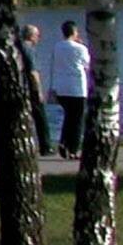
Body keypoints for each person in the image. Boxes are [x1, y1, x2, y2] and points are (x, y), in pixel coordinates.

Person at [49, 19, 93, 157]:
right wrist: (82, 45)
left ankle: (64, 142)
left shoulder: (57, 46)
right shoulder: (80, 48)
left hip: (61, 87)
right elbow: (88, 65)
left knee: (68, 117)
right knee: (78, 119)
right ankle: (73, 148)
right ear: (74, 32)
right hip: (77, 88)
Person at [18, 22, 52, 154]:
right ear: (31, 36)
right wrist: (38, 90)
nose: (38, 38)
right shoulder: (29, 49)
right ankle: (46, 146)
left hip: (20, 86)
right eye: (37, 35)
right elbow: (33, 72)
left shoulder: (18, 47)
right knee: (40, 117)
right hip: (30, 87)